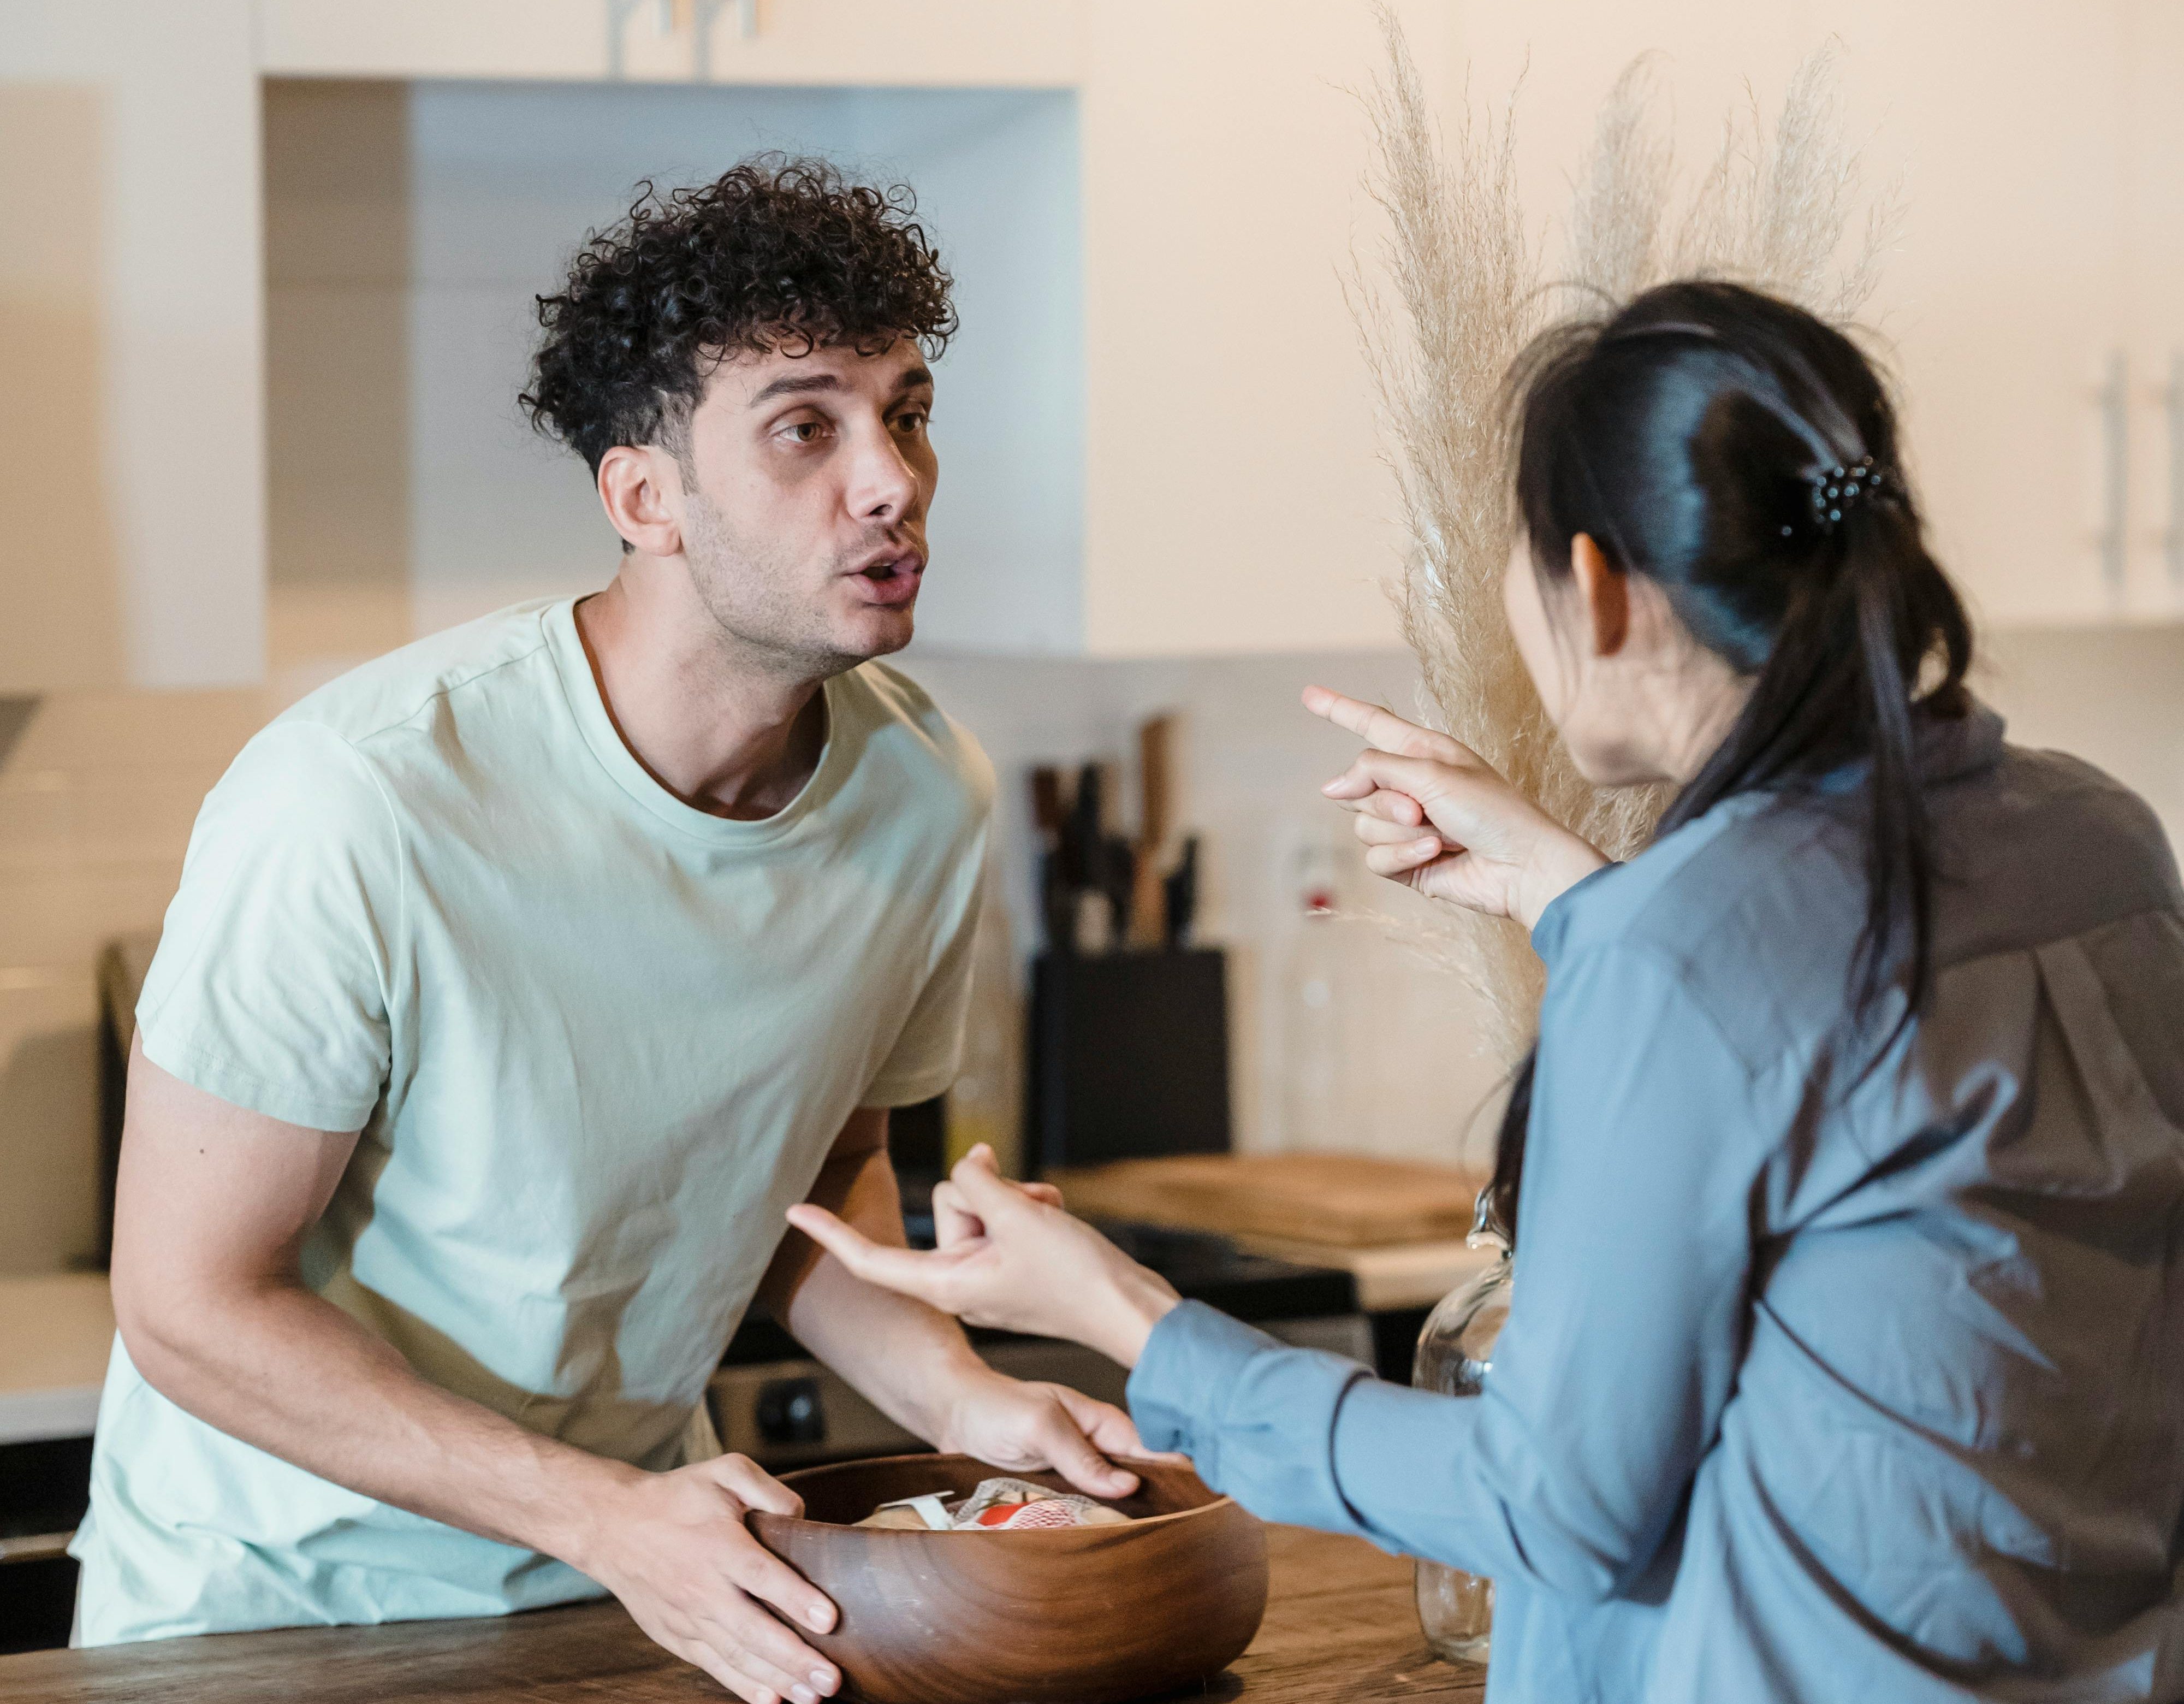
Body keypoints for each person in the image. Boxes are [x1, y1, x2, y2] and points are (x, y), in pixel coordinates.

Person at [790, 281, 2184, 1703]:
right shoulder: (2104, 840)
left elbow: (1553, 1508)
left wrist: (1129, 1313)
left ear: (1595, 583)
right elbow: (1842, 1089)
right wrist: (1575, 893)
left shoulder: (1684, 954)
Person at [74, 157, 1154, 1704]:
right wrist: (601, 1517)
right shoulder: (360, 800)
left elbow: (807, 1181)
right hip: (266, 1616)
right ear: (644, 497)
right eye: (807, 427)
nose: (893, 481)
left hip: (641, 1587)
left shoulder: (926, 795)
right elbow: (188, 1307)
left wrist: (970, 1400)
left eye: (907, 411)